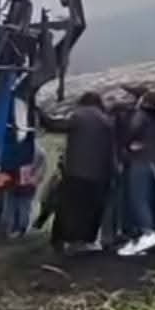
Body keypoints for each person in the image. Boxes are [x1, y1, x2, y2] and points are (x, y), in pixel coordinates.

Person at [39, 92, 116, 253]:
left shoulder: (79, 116)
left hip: (75, 171)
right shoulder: (106, 120)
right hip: (100, 174)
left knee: (67, 207)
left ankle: (60, 239)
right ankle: (84, 240)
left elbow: (54, 126)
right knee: (91, 209)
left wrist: (40, 113)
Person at [119, 92, 155, 256]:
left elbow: (131, 133)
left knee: (139, 198)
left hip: (141, 161)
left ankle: (147, 233)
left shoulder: (140, 116)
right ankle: (148, 238)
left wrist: (126, 147)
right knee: (153, 199)